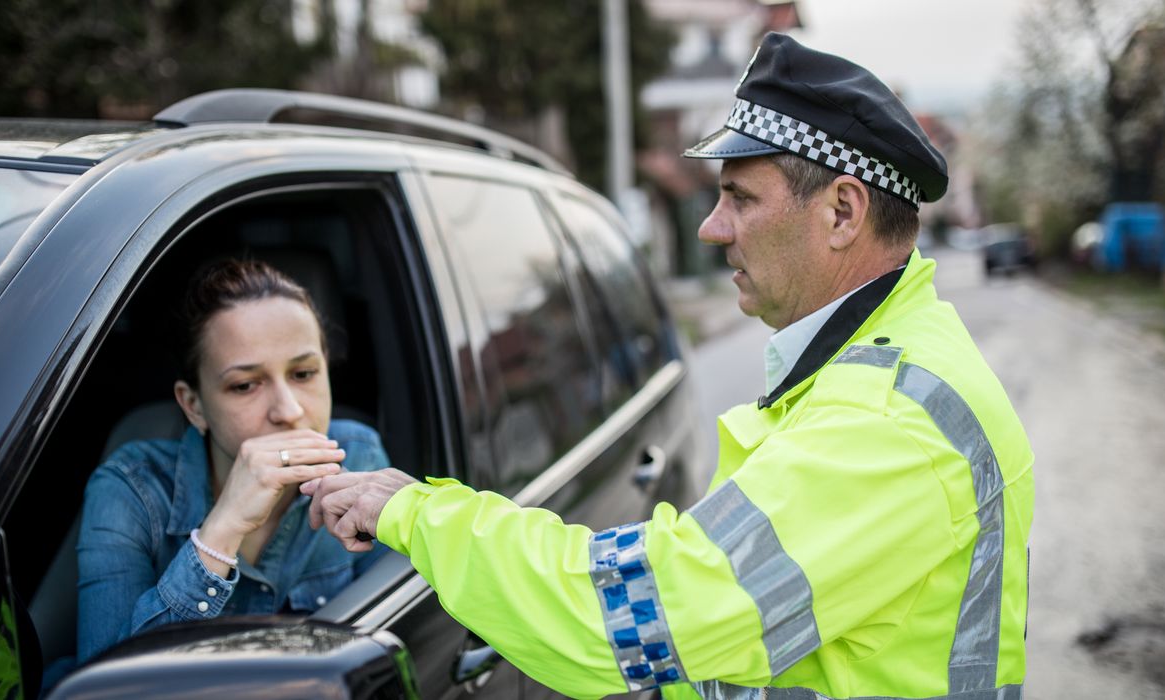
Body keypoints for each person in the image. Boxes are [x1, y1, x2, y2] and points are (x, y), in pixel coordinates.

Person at [302, 34, 1034, 700]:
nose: (710, 227)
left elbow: (629, 615)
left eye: (738, 198)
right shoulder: (878, 362)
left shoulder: (888, 422)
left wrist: (414, 511)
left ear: (842, 213)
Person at [76, 258, 390, 663]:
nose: (289, 410)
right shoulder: (131, 490)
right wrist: (222, 532)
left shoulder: (360, 454)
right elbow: (107, 685)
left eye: (304, 373)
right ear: (194, 406)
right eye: (245, 385)